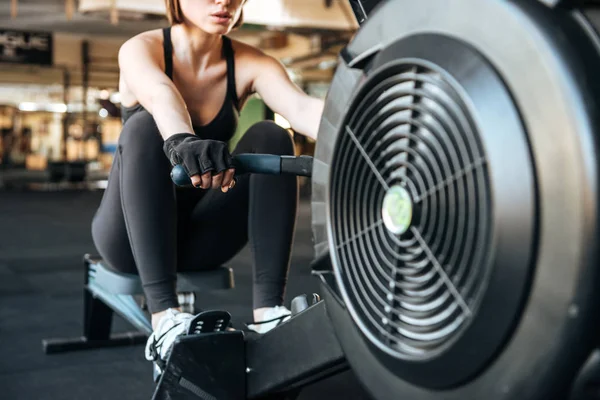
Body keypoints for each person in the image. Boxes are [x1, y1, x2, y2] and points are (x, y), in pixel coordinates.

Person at [90, 0, 324, 377]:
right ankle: (164, 318)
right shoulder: (140, 48)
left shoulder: (251, 63)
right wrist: (181, 138)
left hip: (201, 239)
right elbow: (159, 93)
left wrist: (369, 122)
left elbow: (302, 110)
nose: (224, 1)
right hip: (127, 238)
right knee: (146, 125)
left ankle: (269, 314)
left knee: (271, 135)